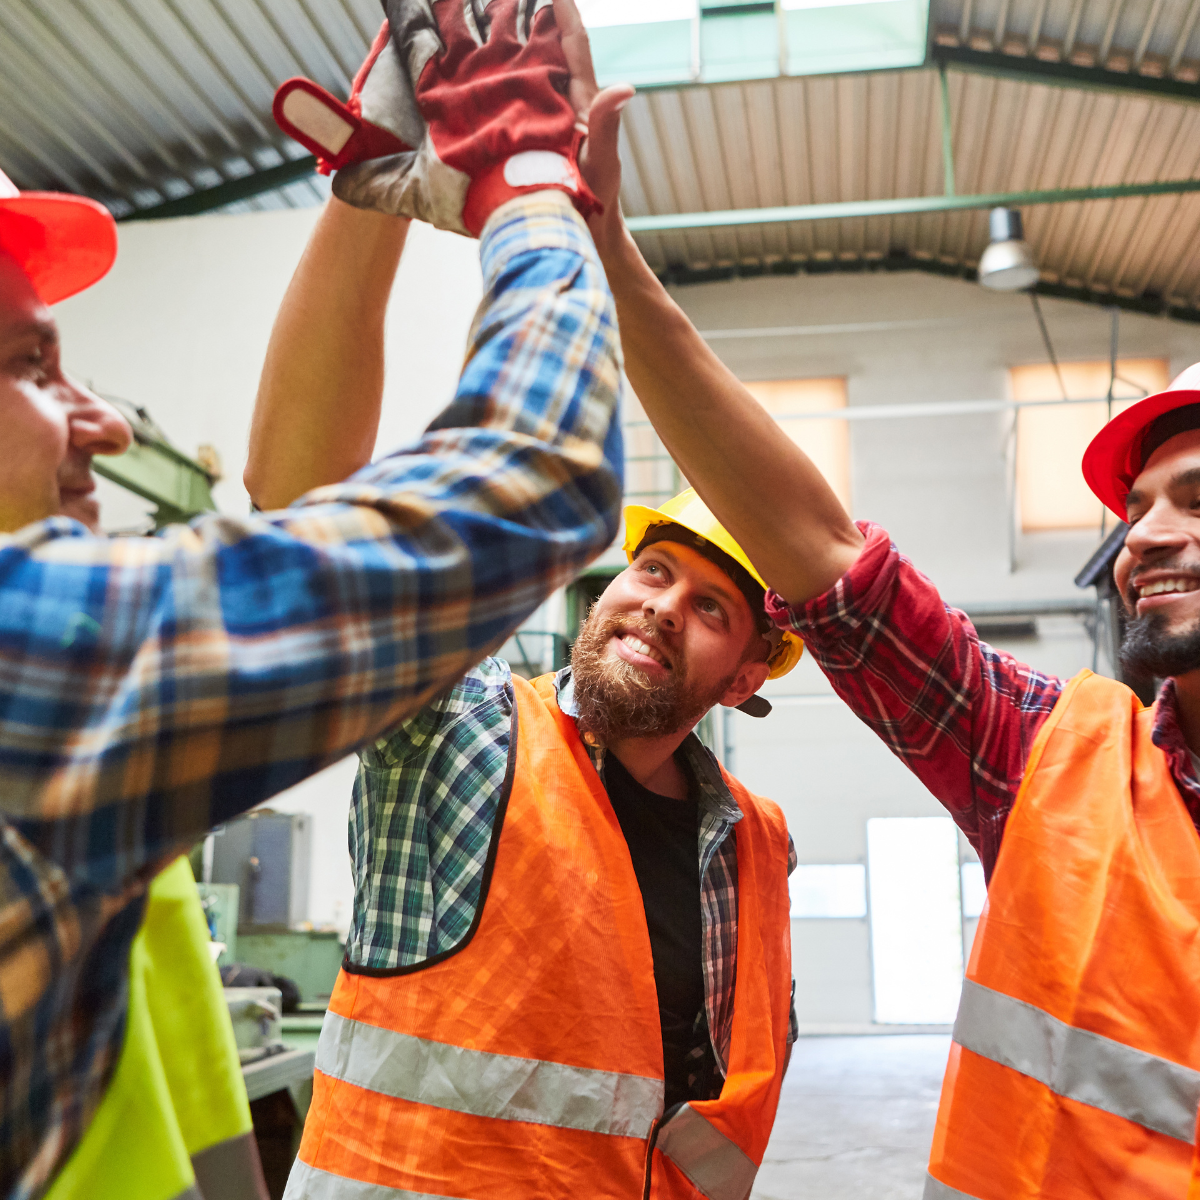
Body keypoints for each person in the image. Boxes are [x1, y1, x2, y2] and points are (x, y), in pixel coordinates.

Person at [565, 14, 1200, 1196]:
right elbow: (828, 565)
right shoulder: (1060, 767)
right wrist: (610, 252)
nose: (1146, 536)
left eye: (1197, 499)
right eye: (1140, 509)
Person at [0, 13, 622, 1194]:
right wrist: (532, 180)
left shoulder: (745, 847)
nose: (109, 420)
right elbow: (529, 472)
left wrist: (362, 186)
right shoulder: (35, 665)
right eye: (34, 368)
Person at [248, 8, 801, 1199]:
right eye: (653, 571)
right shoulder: (460, 728)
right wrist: (362, 200)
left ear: (751, 674)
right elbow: (303, 500)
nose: (659, 605)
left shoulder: (756, 848)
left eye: (711, 608)